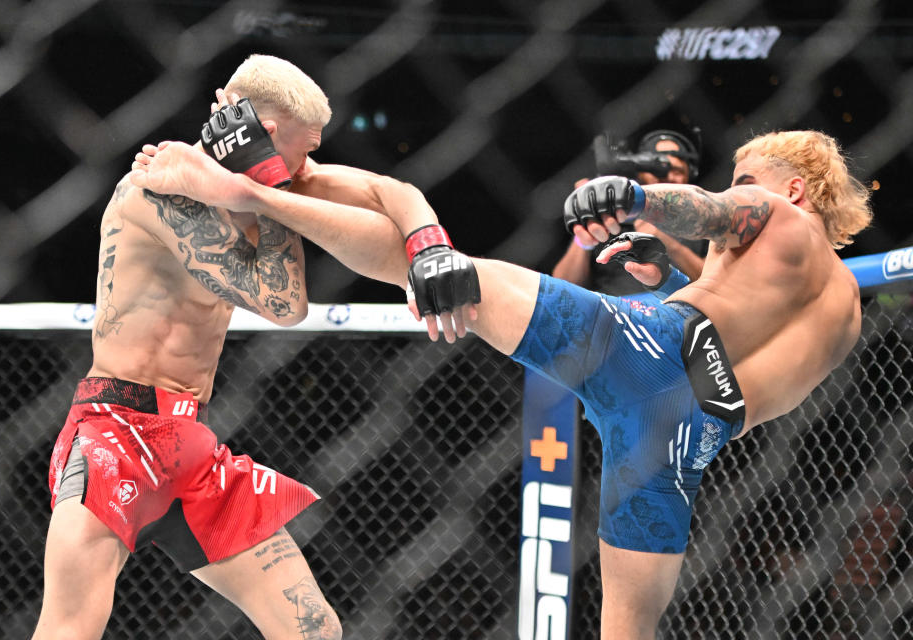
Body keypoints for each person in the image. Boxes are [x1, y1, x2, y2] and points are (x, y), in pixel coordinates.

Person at [129, 128, 872, 639]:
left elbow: (715, 211)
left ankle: (254, 191)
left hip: (644, 352)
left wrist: (637, 198)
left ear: (795, 190)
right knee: (631, 632)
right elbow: (739, 335)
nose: (739, 189)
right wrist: (676, 268)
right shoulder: (844, 314)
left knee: (441, 268)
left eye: (750, 178)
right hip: (684, 439)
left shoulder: (773, 211)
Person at [33, 54, 476, 640]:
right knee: (70, 628)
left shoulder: (277, 175)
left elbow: (387, 190)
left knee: (315, 630)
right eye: (295, 152)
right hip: (116, 432)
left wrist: (429, 246)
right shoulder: (160, 188)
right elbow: (283, 303)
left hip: (191, 444)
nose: (302, 168)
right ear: (262, 134)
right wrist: (261, 186)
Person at [552, 129, 706, 292]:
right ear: (639, 169)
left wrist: (666, 242)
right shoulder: (610, 212)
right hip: (615, 311)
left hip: (681, 308)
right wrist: (583, 241)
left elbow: (718, 284)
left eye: (677, 171)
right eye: (656, 167)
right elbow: (562, 287)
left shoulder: (701, 219)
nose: (666, 175)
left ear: (689, 178)